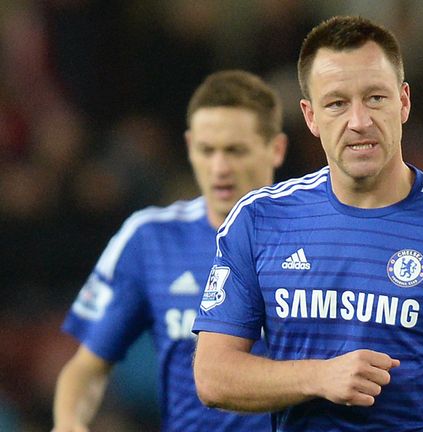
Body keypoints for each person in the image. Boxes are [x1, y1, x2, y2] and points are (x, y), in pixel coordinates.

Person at [192, 16, 423, 431]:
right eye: (337, 103)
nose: (359, 121)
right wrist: (318, 376)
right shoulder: (259, 220)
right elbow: (213, 376)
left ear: (404, 102)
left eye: (375, 98)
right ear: (310, 116)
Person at [52, 70, 287, 432]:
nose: (219, 167)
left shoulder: (315, 238)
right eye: (207, 150)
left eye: (235, 150)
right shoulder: (150, 239)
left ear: (276, 148)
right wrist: (69, 423)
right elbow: (87, 367)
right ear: (190, 146)